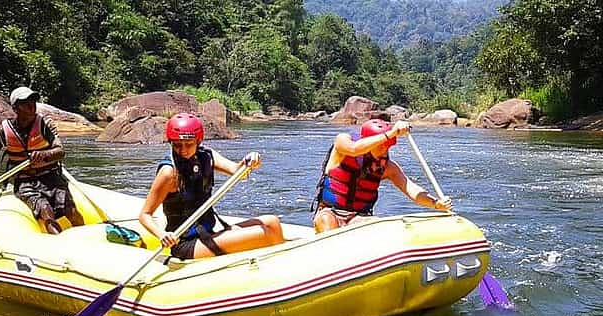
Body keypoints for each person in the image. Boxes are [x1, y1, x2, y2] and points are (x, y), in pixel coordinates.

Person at [139, 113, 285, 259]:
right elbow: (145, 215)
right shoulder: (169, 173)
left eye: (189, 144)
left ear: (198, 140)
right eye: (177, 145)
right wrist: (163, 235)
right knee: (265, 233)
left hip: (208, 232)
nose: (183, 150)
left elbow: (238, 172)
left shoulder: (207, 156)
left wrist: (249, 161)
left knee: (272, 222)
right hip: (186, 244)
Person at [0, 86, 83, 234]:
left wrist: (45, 154)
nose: (31, 105)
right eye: (25, 102)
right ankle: (59, 243)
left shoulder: (45, 125)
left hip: (52, 177)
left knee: (70, 211)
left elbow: (60, 151)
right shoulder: (2, 132)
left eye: (33, 101)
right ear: (15, 108)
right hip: (25, 182)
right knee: (45, 210)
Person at [311, 119, 452, 233]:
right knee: (327, 221)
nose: (385, 149)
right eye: (381, 145)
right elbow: (354, 149)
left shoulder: (388, 167)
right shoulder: (343, 143)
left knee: (378, 227)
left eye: (387, 146)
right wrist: (391, 133)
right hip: (330, 211)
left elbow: (411, 189)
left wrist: (436, 204)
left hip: (359, 216)